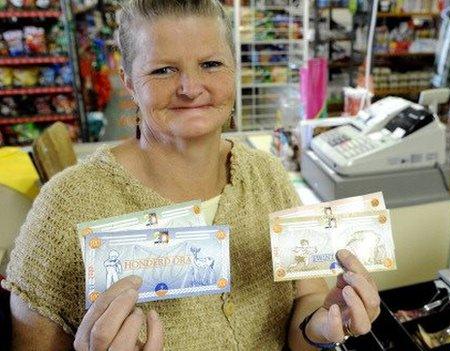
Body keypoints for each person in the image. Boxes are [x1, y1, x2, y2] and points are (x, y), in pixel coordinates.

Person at [3, 1, 381, 350]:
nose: (190, 88)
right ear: (130, 82)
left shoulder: (267, 177)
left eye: (211, 64)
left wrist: (323, 323)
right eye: (163, 70)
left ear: (234, 68)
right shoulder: (66, 207)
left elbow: (305, 298)